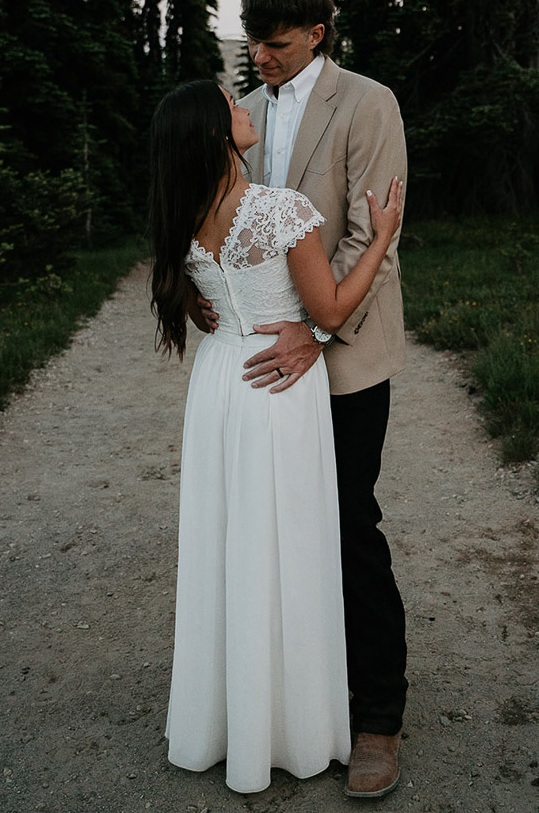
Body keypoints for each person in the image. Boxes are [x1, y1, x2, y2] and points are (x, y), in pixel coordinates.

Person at [148, 79, 403, 795]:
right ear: (213, 133)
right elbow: (325, 306)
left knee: (230, 543)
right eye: (232, 105)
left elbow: (202, 299)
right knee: (291, 545)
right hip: (278, 390)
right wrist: (381, 235)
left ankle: (230, 717)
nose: (246, 107)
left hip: (221, 382)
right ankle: (293, 720)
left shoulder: (184, 211)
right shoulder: (277, 209)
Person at [236, 0, 409, 799]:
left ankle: (377, 716)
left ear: (316, 33)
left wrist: (314, 329)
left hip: (342, 352)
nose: (259, 57)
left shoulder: (368, 102)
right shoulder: (248, 113)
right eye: (252, 41)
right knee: (279, 530)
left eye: (273, 43)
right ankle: (299, 703)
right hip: (268, 348)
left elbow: (373, 236)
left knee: (347, 523)